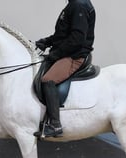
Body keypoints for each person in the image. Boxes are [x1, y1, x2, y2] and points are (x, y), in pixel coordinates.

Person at [35, 0, 96, 137]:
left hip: (74, 55)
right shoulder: (73, 4)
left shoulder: (79, 5)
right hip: (67, 52)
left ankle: (55, 124)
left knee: (48, 80)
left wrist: (55, 54)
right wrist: (47, 42)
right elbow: (63, 34)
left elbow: (77, 39)